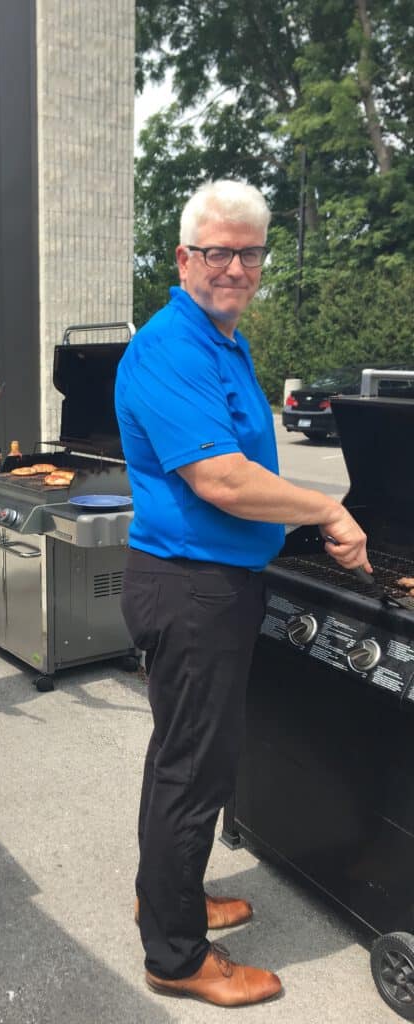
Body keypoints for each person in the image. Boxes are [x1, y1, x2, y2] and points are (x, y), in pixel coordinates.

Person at [115, 179, 371, 1007]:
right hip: (193, 591)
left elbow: (247, 470)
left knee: (182, 763)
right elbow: (223, 479)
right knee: (194, 772)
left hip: (215, 582)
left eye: (248, 252)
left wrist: (291, 520)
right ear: (184, 256)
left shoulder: (226, 339)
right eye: (215, 251)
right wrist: (327, 508)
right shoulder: (171, 347)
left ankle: (169, 899)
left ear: (262, 261)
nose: (232, 266)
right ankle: (177, 958)